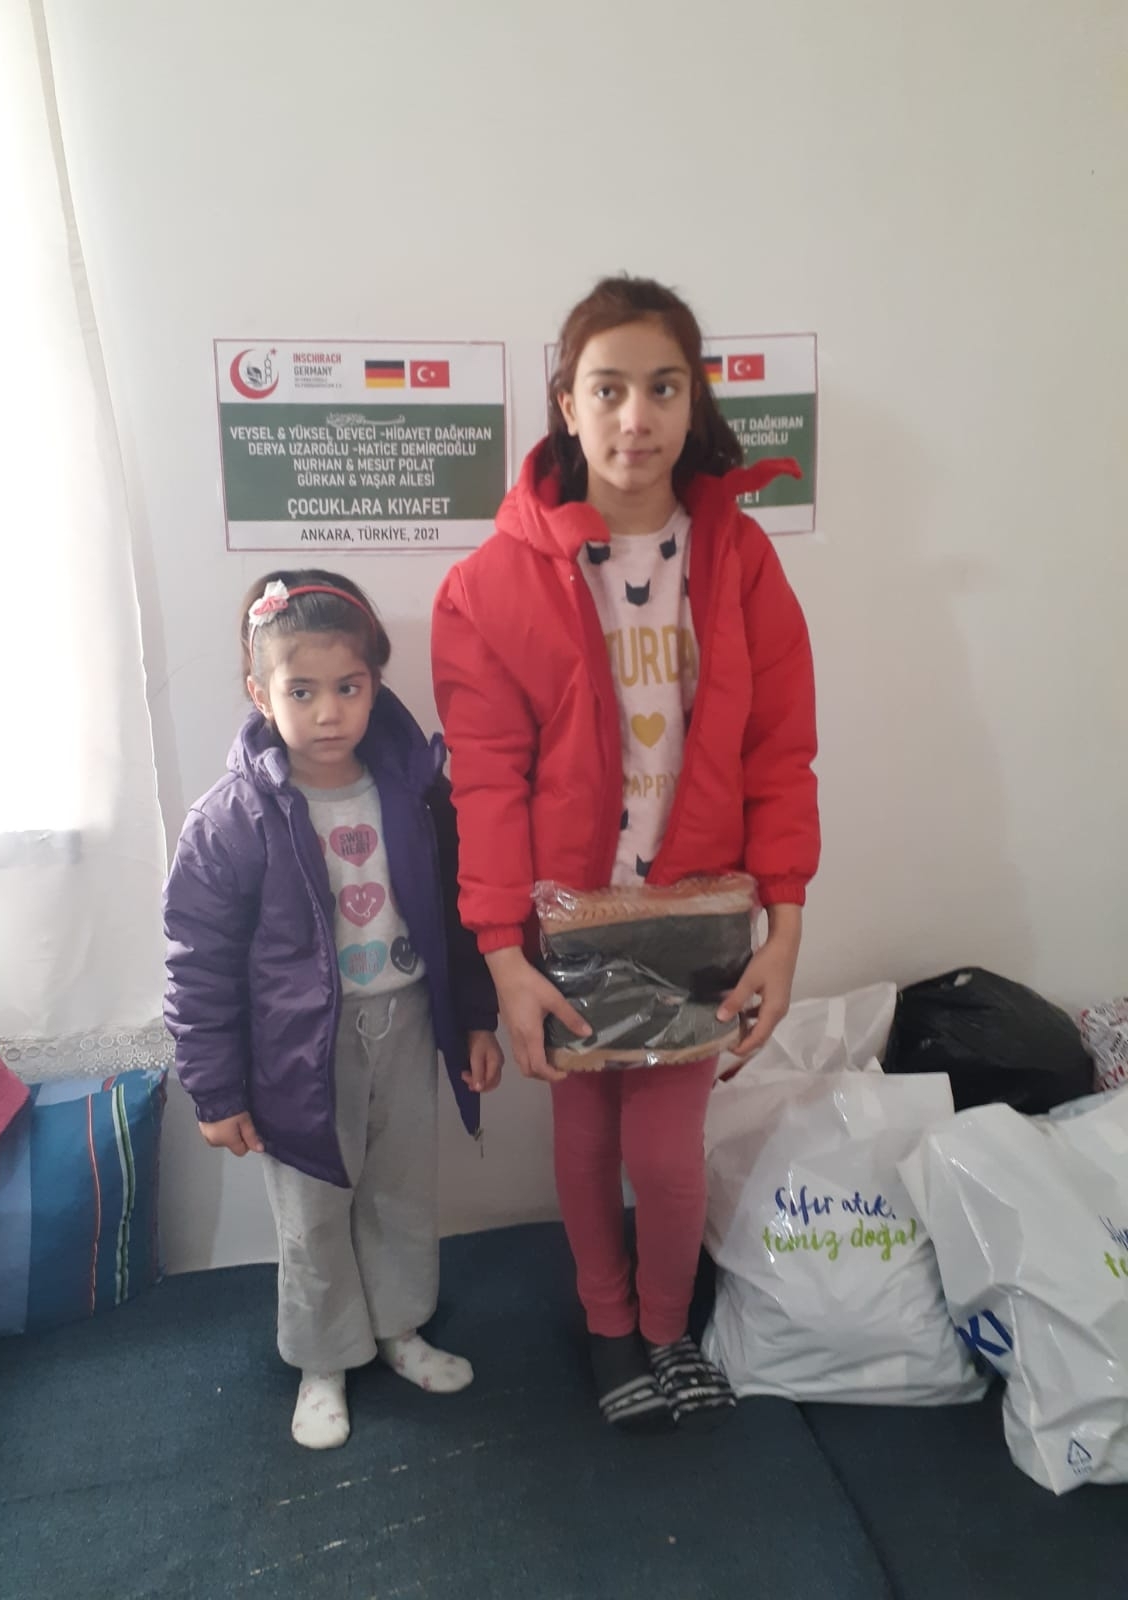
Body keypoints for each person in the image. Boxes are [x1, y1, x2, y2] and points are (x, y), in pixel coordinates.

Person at [432, 277, 819, 1432]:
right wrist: (503, 955)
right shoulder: (489, 585)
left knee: (665, 1154)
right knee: (586, 1137)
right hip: (567, 930)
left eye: (662, 387)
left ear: (695, 401)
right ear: (567, 403)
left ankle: (665, 1329)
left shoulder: (741, 559)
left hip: (698, 923)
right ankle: (611, 1334)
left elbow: (781, 752)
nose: (636, 417)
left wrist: (785, 931)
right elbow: (485, 785)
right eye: (607, 389)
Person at [163, 570, 503, 1450]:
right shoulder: (233, 819)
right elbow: (198, 963)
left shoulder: (416, 792)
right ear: (260, 694)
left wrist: (476, 1020)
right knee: (313, 1211)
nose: (327, 713)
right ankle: (324, 1358)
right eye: (302, 691)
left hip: (408, 1022)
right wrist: (215, 1091)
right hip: (298, 1053)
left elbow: (461, 915)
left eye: (348, 688)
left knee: (401, 1191)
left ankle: (397, 1328)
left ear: (375, 685)